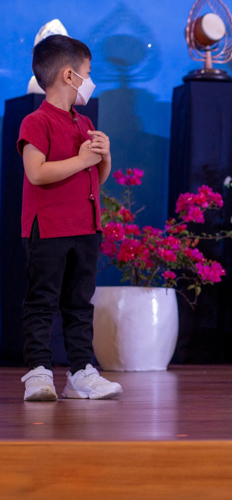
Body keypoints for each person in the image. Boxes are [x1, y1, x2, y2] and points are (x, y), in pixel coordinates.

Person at [17, 35, 122, 401]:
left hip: (86, 227)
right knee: (42, 300)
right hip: (48, 227)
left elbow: (95, 176)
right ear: (68, 75)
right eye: (88, 73)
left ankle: (80, 371)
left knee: (79, 303)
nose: (90, 81)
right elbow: (36, 173)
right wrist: (82, 160)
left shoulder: (84, 121)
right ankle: (39, 372)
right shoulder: (36, 121)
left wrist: (103, 157)